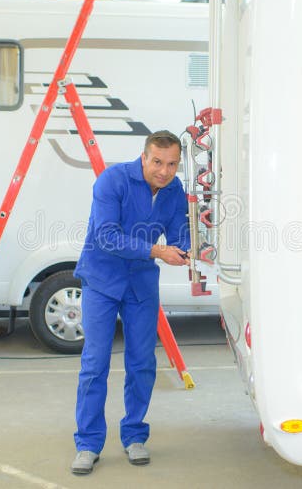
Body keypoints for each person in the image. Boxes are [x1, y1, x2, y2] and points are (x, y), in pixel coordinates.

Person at [70, 130, 191, 475]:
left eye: (171, 164)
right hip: (102, 279)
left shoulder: (173, 190)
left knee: (142, 362)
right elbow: (105, 235)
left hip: (140, 283)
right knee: (95, 364)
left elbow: (178, 228)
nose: (164, 171)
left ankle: (134, 435)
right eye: (157, 162)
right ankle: (88, 443)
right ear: (144, 157)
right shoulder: (113, 181)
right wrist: (157, 251)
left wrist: (187, 248)